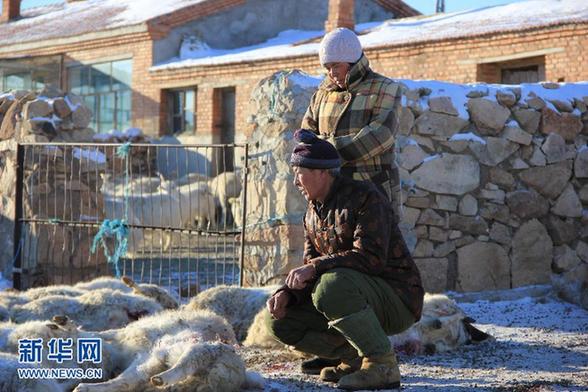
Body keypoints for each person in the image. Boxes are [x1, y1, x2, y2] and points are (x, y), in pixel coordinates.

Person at [265, 129, 423, 390]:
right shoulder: (312, 213)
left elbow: (371, 258)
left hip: (397, 299)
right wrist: (288, 295)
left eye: (299, 173)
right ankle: (353, 357)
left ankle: (382, 364)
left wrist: (315, 267)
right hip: (350, 296)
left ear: (321, 172)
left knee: (331, 285)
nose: (295, 181)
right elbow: (310, 268)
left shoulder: (365, 198)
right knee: (278, 321)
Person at [300, 26, 406, 375]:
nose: (331, 73)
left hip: (372, 194)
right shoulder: (321, 94)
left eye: (336, 66)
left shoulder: (385, 89)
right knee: (325, 266)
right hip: (330, 197)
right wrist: (308, 152)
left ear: (354, 59)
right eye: (327, 66)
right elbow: (307, 134)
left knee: (368, 269)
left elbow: (379, 136)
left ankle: (375, 352)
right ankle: (338, 349)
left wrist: (327, 155)